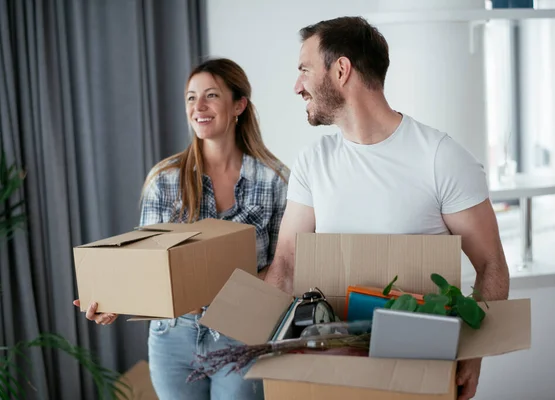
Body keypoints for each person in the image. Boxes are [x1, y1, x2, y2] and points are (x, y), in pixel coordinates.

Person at [262, 16, 510, 400]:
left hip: (419, 370)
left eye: (305, 70)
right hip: (332, 369)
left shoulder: (440, 158)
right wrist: (259, 337)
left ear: (341, 70)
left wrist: (474, 355)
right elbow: (287, 264)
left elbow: (490, 264)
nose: (297, 86)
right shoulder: (314, 162)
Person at [74, 58, 289, 400]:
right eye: (191, 97)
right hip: (173, 339)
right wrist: (116, 298)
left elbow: (283, 269)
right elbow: (144, 264)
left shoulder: (275, 179)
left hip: (242, 333)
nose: (198, 107)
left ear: (239, 105)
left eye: (211, 96)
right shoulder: (165, 179)